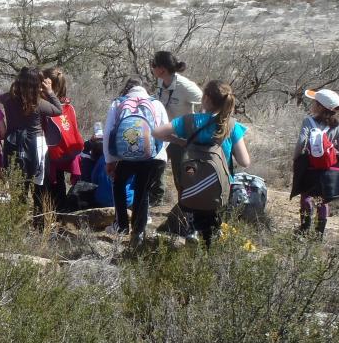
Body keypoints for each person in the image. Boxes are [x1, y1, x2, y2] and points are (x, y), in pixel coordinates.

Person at [153, 80, 250, 247]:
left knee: (194, 218)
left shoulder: (190, 121)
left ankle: (192, 235)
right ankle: (209, 256)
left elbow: (157, 132)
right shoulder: (231, 125)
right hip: (218, 190)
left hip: (192, 185)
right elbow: (244, 161)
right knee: (212, 231)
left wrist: (182, 142)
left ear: (205, 98)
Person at [0, 67, 63, 226]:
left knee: (18, 186)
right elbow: (58, 110)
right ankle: (40, 223)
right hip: (36, 146)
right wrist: (50, 91)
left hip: (13, 145)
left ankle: (16, 224)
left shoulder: (8, 98)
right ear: (38, 85)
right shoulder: (39, 103)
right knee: (40, 186)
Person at [103, 77, 169, 246]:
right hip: (152, 157)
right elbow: (166, 132)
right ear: (145, 89)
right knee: (143, 191)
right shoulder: (156, 104)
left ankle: (121, 225)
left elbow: (108, 133)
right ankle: (138, 233)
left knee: (118, 184)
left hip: (126, 157)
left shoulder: (118, 103)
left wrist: (110, 160)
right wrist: (155, 150)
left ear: (127, 90)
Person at [149, 51, 202, 207]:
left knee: (181, 175)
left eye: (154, 65)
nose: (152, 69)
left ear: (162, 69)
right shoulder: (161, 82)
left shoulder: (185, 86)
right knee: (156, 167)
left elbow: (205, 100)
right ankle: (156, 199)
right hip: (164, 135)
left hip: (181, 138)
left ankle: (185, 207)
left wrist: (199, 127)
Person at [292, 88, 339, 237]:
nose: (312, 104)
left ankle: (304, 228)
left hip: (310, 165)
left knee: (307, 195)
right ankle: (319, 234)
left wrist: (296, 158)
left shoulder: (308, 121)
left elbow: (301, 142)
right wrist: (329, 149)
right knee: (324, 200)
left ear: (319, 106)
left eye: (314, 102)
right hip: (330, 167)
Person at [42, 67, 83, 212]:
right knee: (59, 182)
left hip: (52, 152)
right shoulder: (67, 104)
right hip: (67, 149)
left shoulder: (46, 106)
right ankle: (62, 209)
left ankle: (52, 213)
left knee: (51, 183)